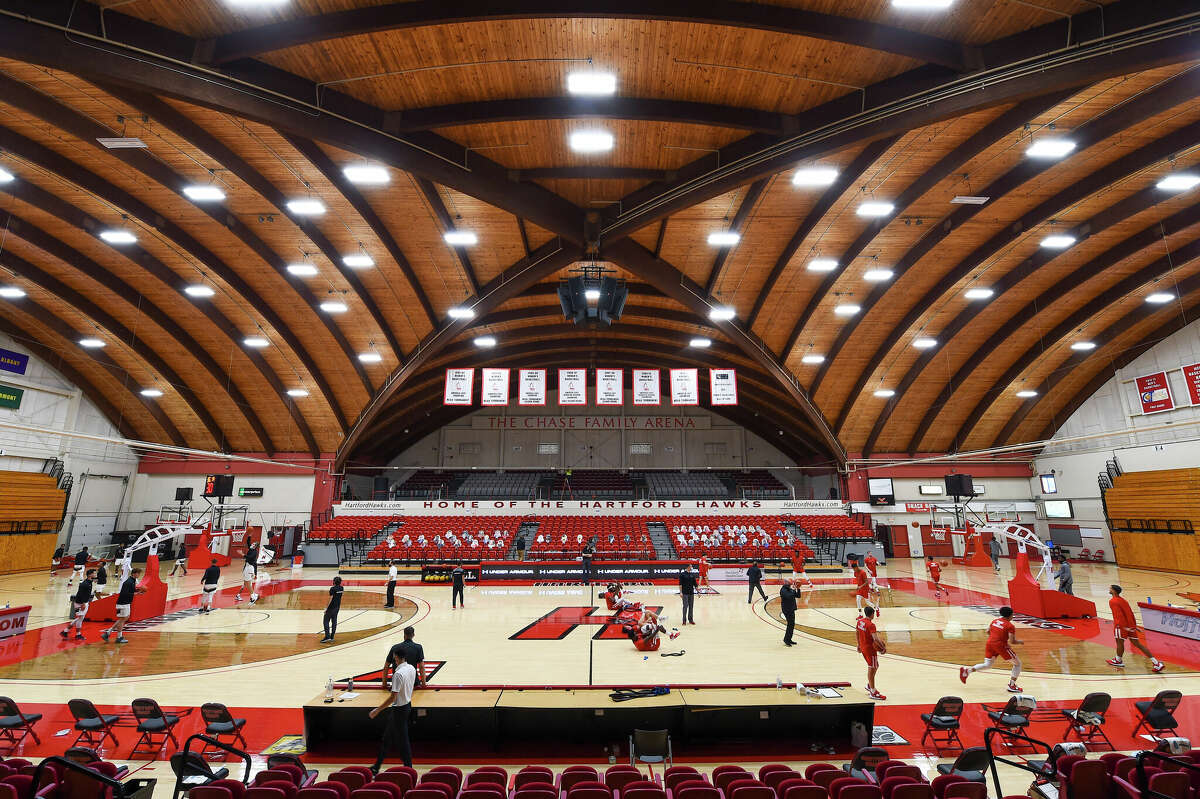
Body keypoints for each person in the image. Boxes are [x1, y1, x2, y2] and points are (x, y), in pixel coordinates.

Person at [369, 647, 416, 772]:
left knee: (403, 741)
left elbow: (392, 698)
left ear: (397, 658)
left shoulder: (398, 674)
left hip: (398, 710)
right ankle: (376, 766)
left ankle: (409, 768)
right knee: (388, 738)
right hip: (407, 706)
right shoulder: (411, 668)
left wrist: (377, 710)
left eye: (395, 657)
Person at [959, 606, 1023, 692]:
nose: (1013, 616)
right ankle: (1012, 685)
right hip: (1000, 646)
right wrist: (1020, 642)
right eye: (1012, 615)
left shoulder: (995, 621)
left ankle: (967, 671)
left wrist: (995, 638)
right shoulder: (1010, 625)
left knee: (987, 665)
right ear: (1009, 616)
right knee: (1017, 664)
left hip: (990, 643)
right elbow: (1012, 641)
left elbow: (987, 631)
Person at [1107, 584, 1164, 672]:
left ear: (1114, 591)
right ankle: (1156, 663)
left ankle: (1118, 660)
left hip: (1121, 626)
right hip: (1130, 626)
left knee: (1119, 642)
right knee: (1138, 644)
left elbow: (1119, 616)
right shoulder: (1123, 601)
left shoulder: (1113, 601)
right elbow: (1130, 613)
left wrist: (1124, 627)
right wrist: (1133, 626)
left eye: (1110, 589)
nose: (1109, 589)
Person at [101, 567, 145, 644]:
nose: (139, 575)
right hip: (122, 603)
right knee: (122, 620)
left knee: (124, 618)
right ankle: (119, 637)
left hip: (125, 603)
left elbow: (131, 590)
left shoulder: (132, 581)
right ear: (134, 573)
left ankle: (108, 633)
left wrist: (139, 591)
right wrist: (136, 593)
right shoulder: (128, 582)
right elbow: (125, 593)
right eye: (138, 573)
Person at [856, 606, 886, 700]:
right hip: (870, 649)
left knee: (875, 666)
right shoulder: (871, 625)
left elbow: (856, 632)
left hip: (864, 647)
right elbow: (875, 639)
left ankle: (870, 685)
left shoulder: (860, 621)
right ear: (872, 614)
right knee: (872, 668)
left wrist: (858, 644)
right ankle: (872, 691)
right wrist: (882, 647)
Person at [61, 568, 95, 640]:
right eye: (94, 573)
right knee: (79, 618)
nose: (95, 574)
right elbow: (80, 594)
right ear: (90, 575)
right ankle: (66, 631)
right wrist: (83, 603)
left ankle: (76, 634)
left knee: (80, 619)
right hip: (80, 603)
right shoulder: (84, 584)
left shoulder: (89, 582)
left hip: (84, 602)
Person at [320, 576, 343, 643]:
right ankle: (332, 637)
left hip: (331, 608)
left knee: (326, 621)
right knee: (334, 621)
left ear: (334, 582)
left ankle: (327, 636)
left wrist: (326, 608)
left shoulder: (332, 589)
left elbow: (330, 598)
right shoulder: (342, 588)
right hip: (337, 607)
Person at [236, 540, 259, 604]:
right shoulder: (251, 549)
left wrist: (242, 554)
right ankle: (252, 595)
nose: (252, 544)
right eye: (253, 543)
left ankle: (253, 597)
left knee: (248, 584)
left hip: (250, 568)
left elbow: (250, 558)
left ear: (255, 547)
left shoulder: (254, 552)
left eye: (254, 544)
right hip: (247, 568)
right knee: (246, 583)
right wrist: (249, 535)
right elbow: (248, 542)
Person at [780, 578, 798, 647]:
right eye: (790, 583)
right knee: (790, 624)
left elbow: (798, 595)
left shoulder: (789, 589)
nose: (790, 585)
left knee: (792, 625)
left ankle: (788, 639)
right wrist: (793, 590)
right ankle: (786, 639)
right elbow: (789, 596)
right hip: (787, 610)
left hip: (791, 609)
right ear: (786, 583)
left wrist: (798, 589)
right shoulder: (783, 590)